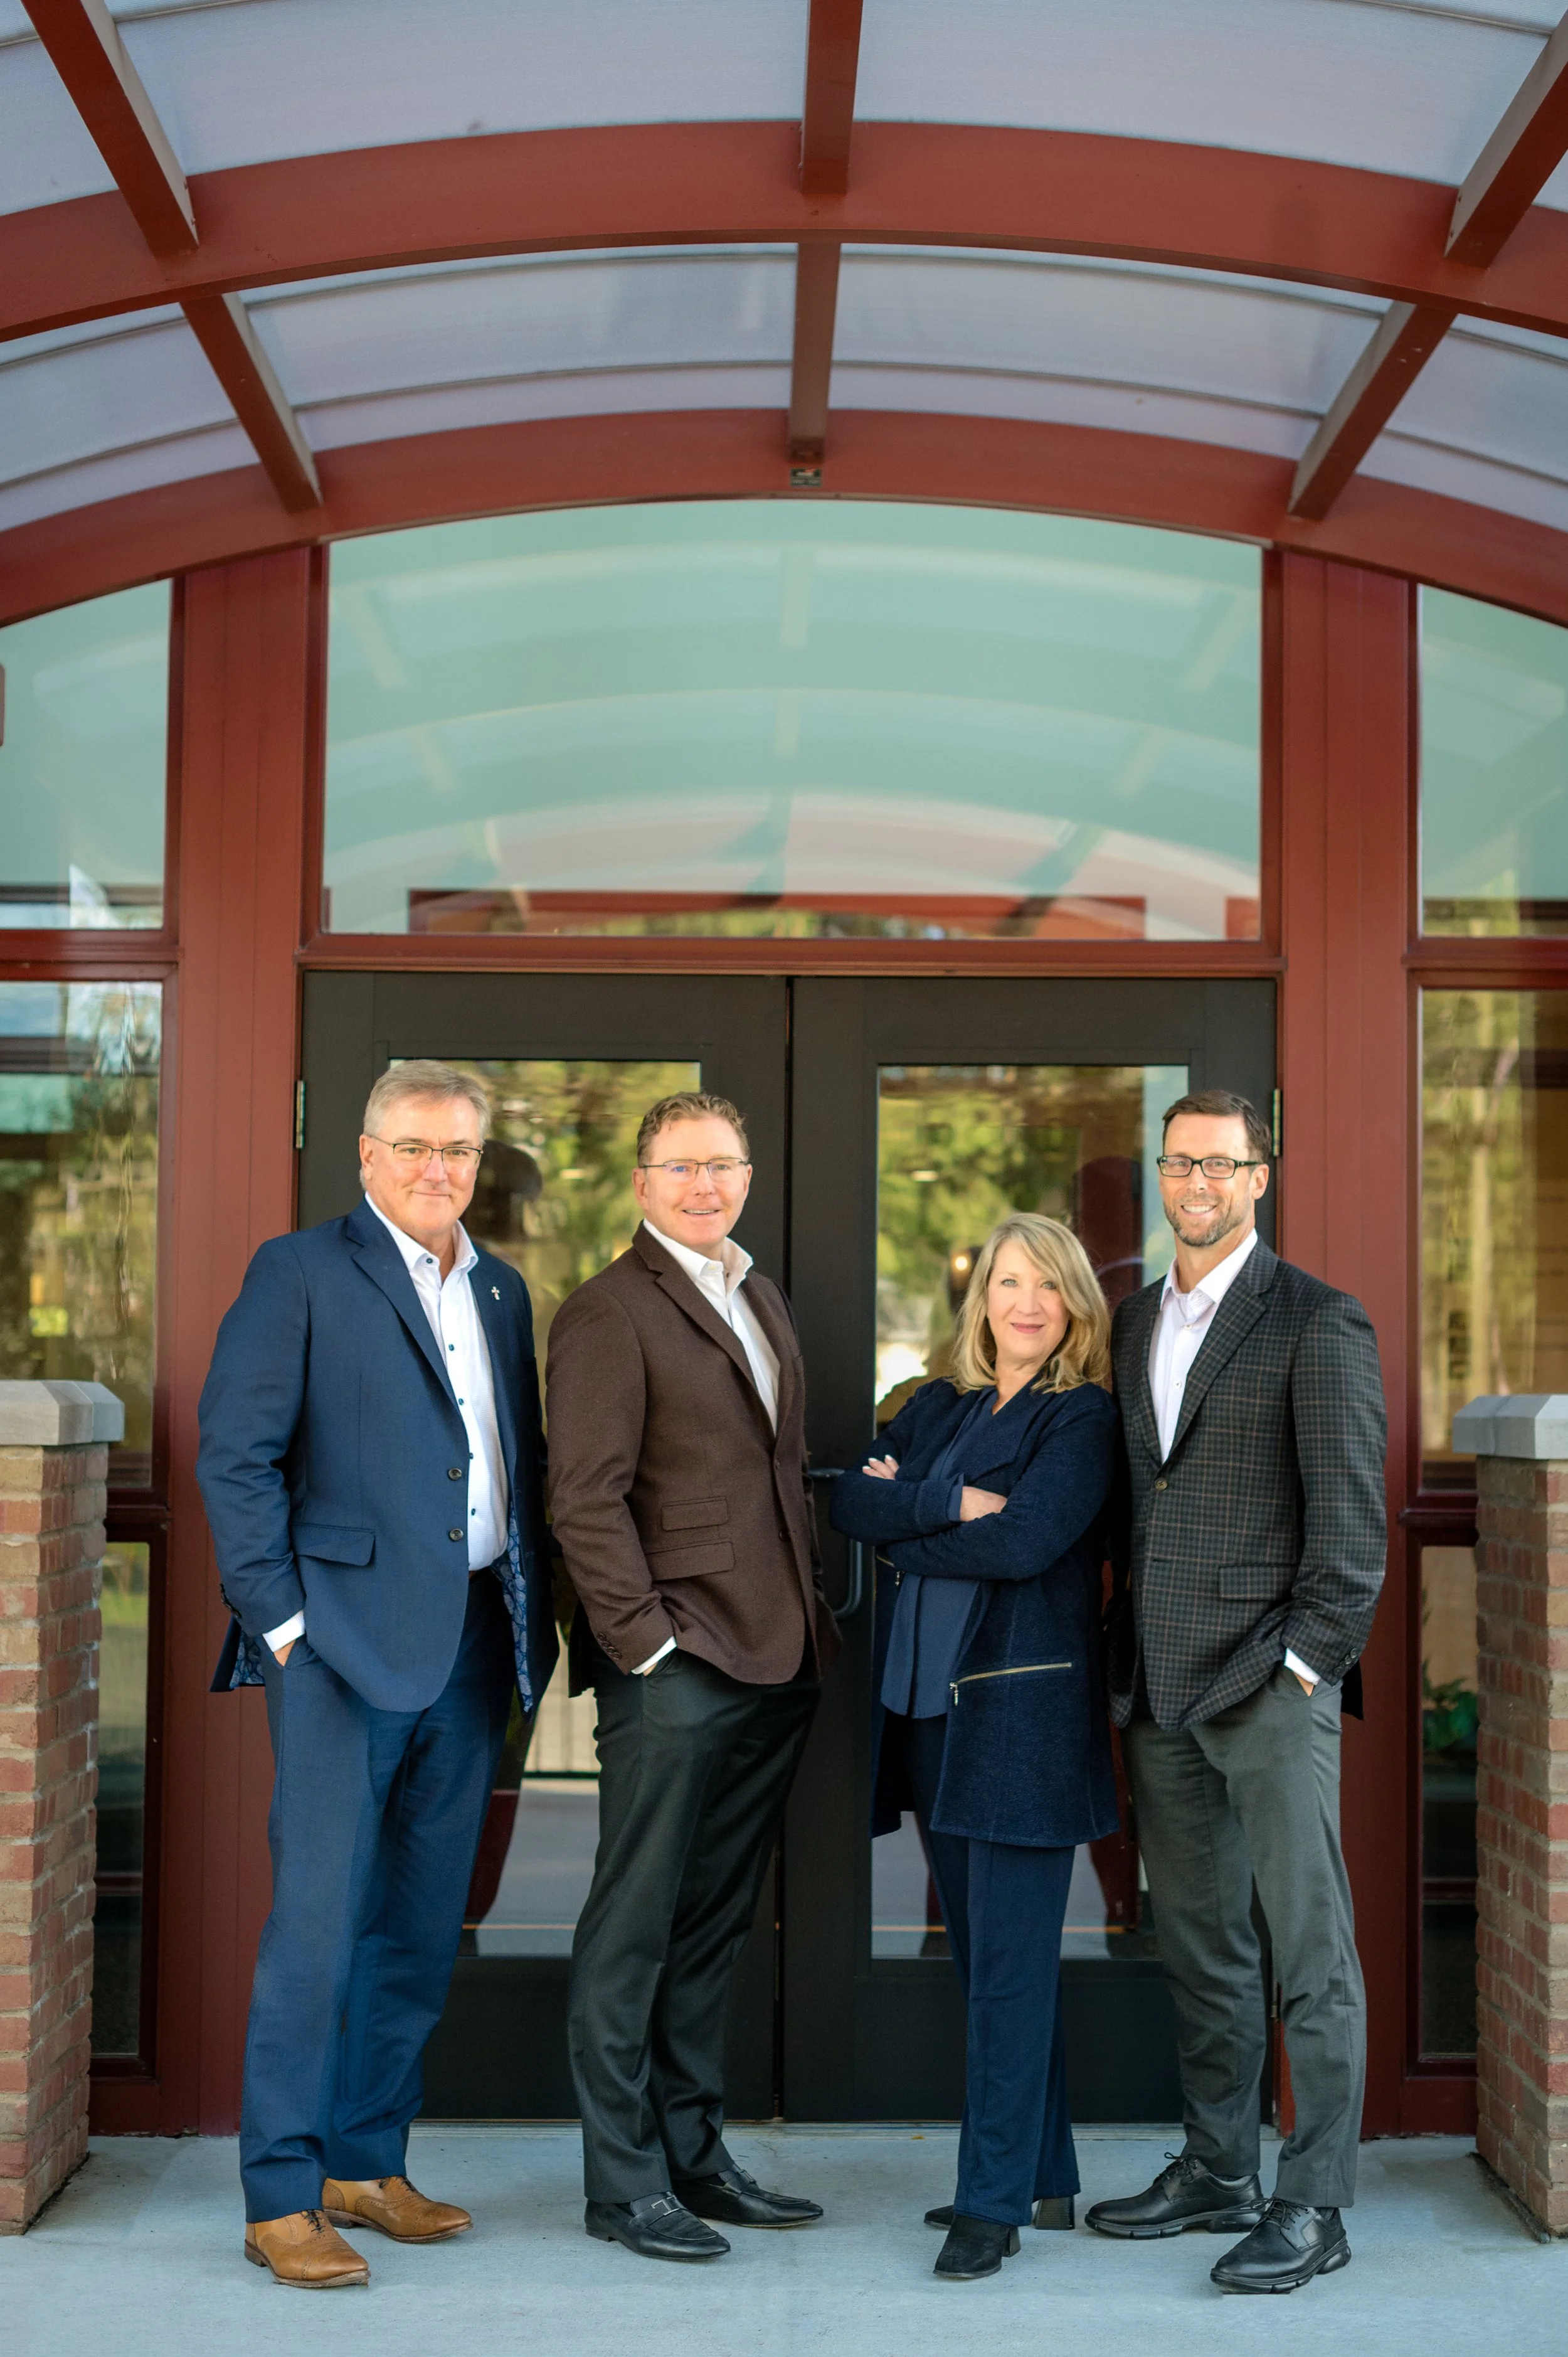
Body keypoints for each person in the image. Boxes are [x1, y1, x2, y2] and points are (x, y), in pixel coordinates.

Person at [197, 1061, 556, 2287]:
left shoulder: (500, 1290)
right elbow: (234, 1458)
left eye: (456, 1149)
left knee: (414, 1924)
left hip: (470, 1644)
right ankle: (281, 2194)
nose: (435, 1169)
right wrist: (283, 1625)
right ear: (364, 1154)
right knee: (317, 1926)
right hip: (340, 1647)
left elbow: (512, 1462)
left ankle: (365, 2160)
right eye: (412, 1146)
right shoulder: (299, 1273)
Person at [1086, 1089, 1386, 2294]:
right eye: (1179, 1162)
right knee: (1204, 1946)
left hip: (1268, 1687)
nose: (1196, 1182)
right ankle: (1220, 2166)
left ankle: (1316, 2201)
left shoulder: (1318, 1321)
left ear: (1261, 1176)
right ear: (1161, 1177)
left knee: (1310, 1951)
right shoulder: (1129, 1322)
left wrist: (1303, 1669)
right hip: (1158, 1690)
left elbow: (1354, 1536)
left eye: (1221, 1163)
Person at [546, 1090, 839, 2264]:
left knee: (711, 1925)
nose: (703, 1186)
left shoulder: (755, 1293)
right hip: (676, 1665)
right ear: (641, 1181)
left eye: (721, 1164)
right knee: (633, 1926)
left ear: (748, 1174)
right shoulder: (609, 1312)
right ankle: (622, 2184)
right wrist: (647, 1646)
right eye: (680, 1168)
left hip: (775, 1656)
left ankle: (693, 2155)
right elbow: (585, 1497)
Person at [832, 1213, 1120, 2283]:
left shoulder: (1079, 1417)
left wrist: (910, 1519)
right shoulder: (940, 1403)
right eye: (1009, 1282)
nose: (1027, 1304)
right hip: (925, 1717)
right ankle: (1040, 2174)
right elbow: (854, 1502)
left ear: (1076, 1302)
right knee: (987, 1966)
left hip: (1018, 1723)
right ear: (982, 1298)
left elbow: (1027, 1540)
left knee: (1005, 1970)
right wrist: (943, 1501)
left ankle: (989, 2204)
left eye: (1049, 1285)